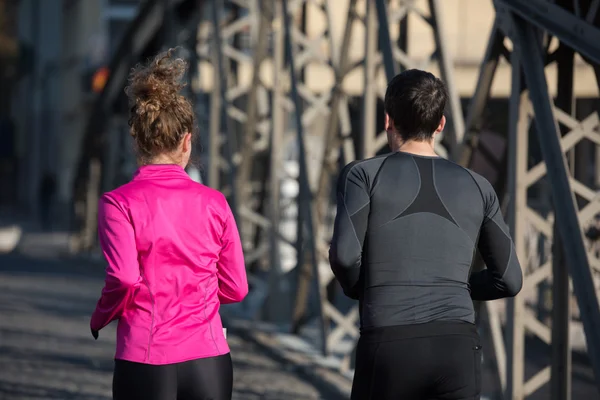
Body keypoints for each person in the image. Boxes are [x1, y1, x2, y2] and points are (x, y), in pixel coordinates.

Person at [328, 69, 523, 400]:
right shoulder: (478, 186)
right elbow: (510, 280)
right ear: (441, 124)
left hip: (390, 342)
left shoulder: (363, 175)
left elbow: (345, 257)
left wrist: (367, 288)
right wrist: (459, 286)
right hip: (457, 347)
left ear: (388, 120)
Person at [90, 49, 248, 400]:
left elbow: (125, 278)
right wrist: (196, 296)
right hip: (209, 357)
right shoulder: (215, 202)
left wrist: (101, 316)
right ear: (187, 141)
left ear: (136, 141)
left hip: (146, 355)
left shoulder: (118, 203)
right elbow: (237, 287)